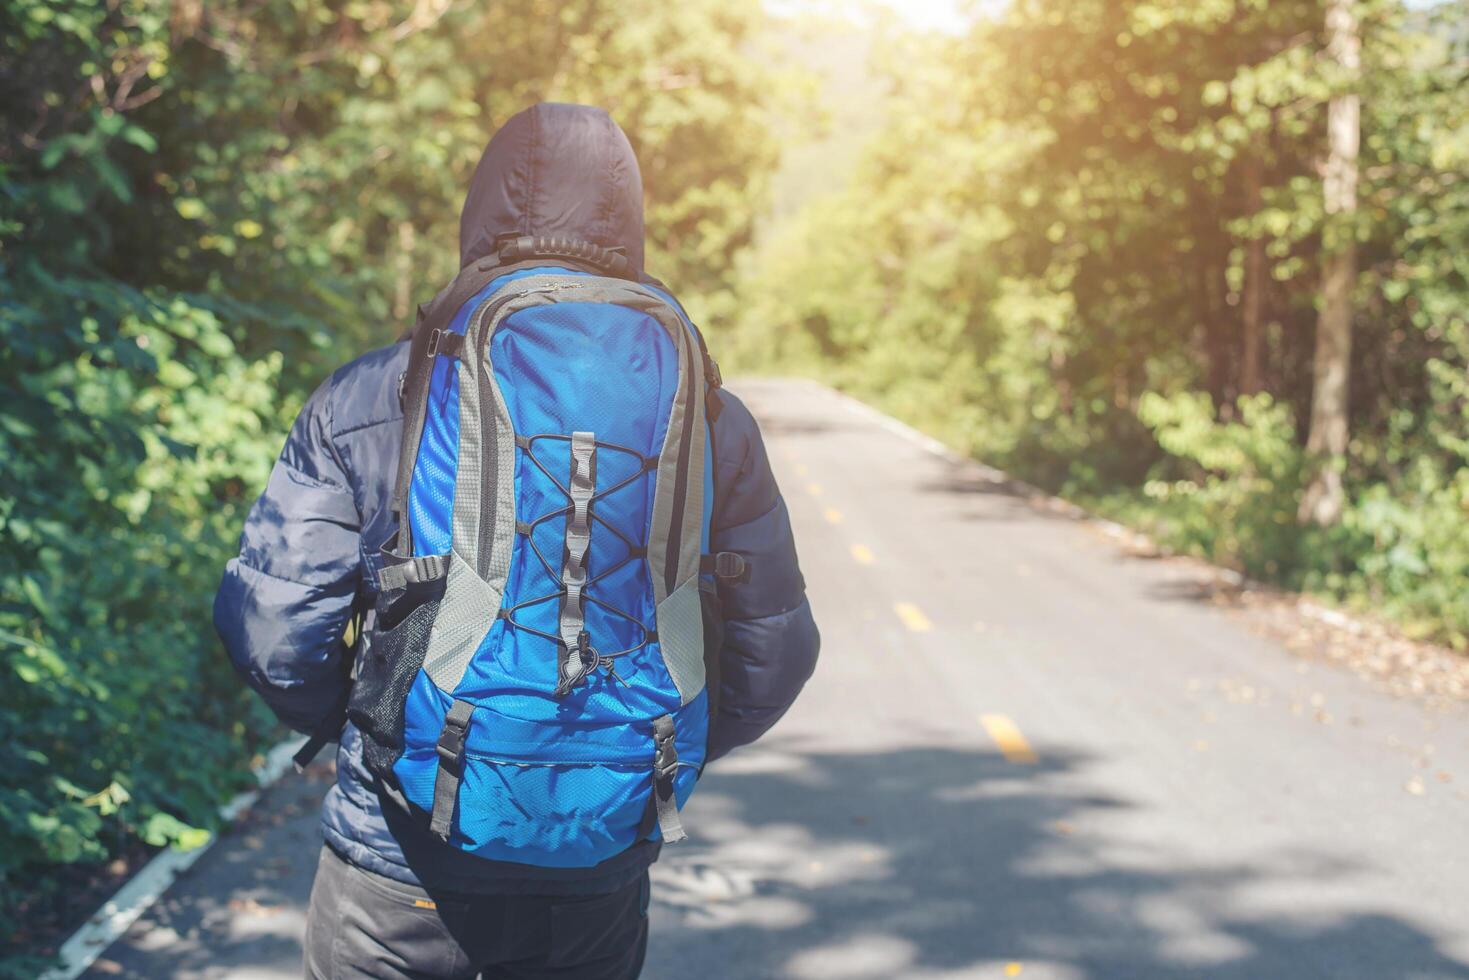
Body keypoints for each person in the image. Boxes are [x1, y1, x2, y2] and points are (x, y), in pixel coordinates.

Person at [214, 102, 820, 979]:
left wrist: (373, 726)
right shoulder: (711, 419)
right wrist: (642, 743)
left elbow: (274, 632)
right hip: (598, 861)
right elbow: (777, 651)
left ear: (478, 217)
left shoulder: (372, 394)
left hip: (398, 856)